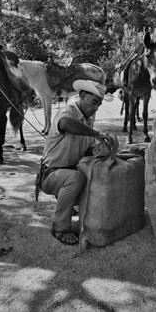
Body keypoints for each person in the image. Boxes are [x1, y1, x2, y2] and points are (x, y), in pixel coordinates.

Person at [35, 79, 115, 245]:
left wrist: (103, 150)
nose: (95, 108)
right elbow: (65, 124)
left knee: (99, 174)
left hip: (69, 171)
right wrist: (95, 134)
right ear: (81, 95)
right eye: (94, 102)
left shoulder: (87, 121)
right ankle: (59, 227)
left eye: (98, 105)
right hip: (51, 174)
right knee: (76, 179)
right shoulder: (68, 112)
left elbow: (88, 150)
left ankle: (68, 202)